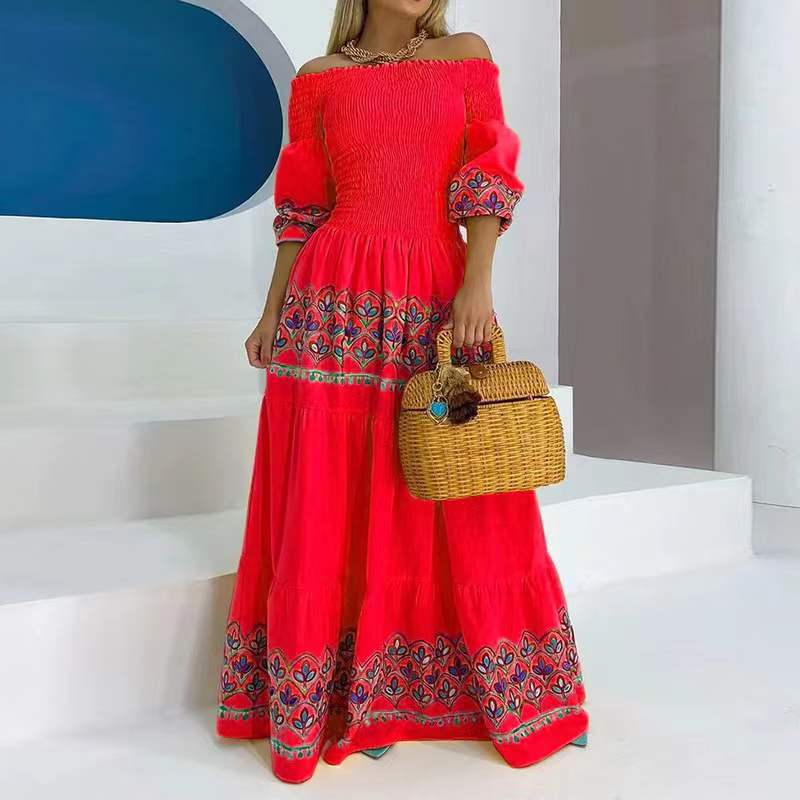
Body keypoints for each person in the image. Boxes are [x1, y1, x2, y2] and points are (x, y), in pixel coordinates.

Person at [216, 0, 588, 783]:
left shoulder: (464, 53)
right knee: (335, 490)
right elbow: (304, 208)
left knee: (464, 484)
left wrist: (478, 282)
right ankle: (357, 693)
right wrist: (273, 310)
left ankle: (483, 685)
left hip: (433, 289)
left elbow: (487, 171)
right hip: (331, 304)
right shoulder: (319, 79)